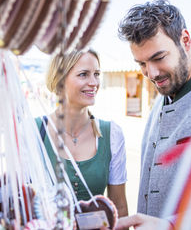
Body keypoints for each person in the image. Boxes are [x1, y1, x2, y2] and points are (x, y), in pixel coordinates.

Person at [116, 0, 191, 228]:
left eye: (159, 58)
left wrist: (172, 225)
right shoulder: (158, 103)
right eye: (141, 63)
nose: (151, 73)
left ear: (186, 41)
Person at [36, 49, 128, 217]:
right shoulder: (34, 131)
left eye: (97, 74)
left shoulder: (112, 134)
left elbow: (119, 207)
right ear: (60, 79)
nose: (94, 82)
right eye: (84, 74)